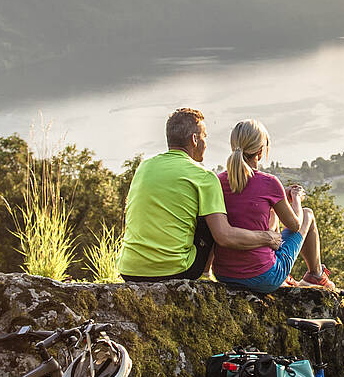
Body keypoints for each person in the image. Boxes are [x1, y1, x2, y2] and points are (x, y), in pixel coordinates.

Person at [118, 107, 279, 282]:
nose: (206, 143)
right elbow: (224, 236)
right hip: (174, 271)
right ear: (195, 139)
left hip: (129, 270)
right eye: (204, 136)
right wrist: (267, 238)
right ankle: (206, 274)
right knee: (212, 219)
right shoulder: (204, 177)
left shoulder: (144, 167)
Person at [212, 119, 333, 292]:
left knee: (271, 213)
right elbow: (295, 225)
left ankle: (305, 273)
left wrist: (277, 199)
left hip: (224, 274)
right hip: (264, 277)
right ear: (260, 151)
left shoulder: (217, 181)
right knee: (307, 214)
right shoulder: (269, 182)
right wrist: (296, 198)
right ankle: (316, 274)